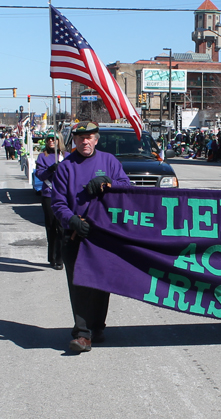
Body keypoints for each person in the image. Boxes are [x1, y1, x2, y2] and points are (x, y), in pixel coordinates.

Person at [51, 121, 130, 353]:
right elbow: (57, 203)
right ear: (74, 140)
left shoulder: (109, 162)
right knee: (80, 284)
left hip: (103, 234)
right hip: (76, 234)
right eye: (80, 137)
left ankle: (97, 327)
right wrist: (71, 220)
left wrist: (108, 183)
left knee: (101, 284)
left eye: (90, 137)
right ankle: (82, 334)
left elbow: (126, 186)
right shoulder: (65, 167)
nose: (85, 141)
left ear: (96, 140)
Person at [35, 132, 70, 270]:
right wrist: (50, 169)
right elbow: (40, 174)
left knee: (62, 227)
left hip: (63, 195)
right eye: (49, 139)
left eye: (54, 139)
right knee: (51, 227)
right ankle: (52, 257)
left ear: (59, 140)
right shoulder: (42, 156)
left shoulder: (66, 156)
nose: (51, 141)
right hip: (49, 194)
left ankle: (61, 258)